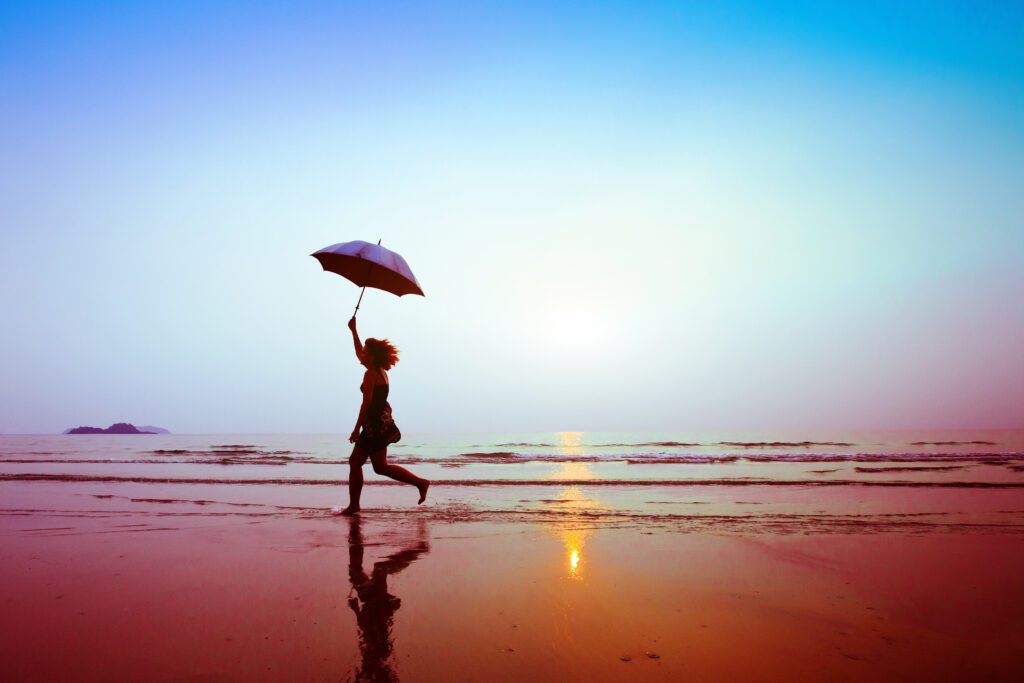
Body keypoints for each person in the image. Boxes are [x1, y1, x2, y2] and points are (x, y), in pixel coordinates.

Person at [333, 316, 429, 515]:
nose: (361, 355)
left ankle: (353, 507)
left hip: (374, 424)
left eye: (365, 353)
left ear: (372, 357)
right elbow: (359, 352)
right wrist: (353, 330)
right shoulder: (381, 371)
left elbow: (366, 403)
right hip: (382, 422)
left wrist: (356, 428)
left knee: (355, 462)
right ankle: (420, 482)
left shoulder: (370, 375)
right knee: (380, 467)